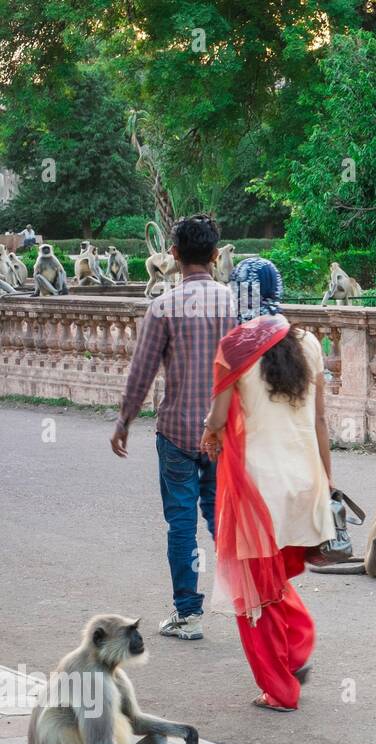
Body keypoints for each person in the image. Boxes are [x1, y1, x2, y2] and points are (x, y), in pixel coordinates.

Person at [201, 259, 333, 711]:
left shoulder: (233, 348)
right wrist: (328, 480)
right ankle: (297, 643)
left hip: (257, 488)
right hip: (304, 480)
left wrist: (208, 428)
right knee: (271, 580)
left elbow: (218, 419)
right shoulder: (308, 342)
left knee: (253, 591)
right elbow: (320, 419)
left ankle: (281, 685)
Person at [112, 215, 238, 641]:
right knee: (223, 521)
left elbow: (142, 371)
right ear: (216, 255)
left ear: (175, 255)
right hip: (220, 432)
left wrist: (123, 421)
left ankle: (188, 615)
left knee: (181, 524)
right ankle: (248, 602)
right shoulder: (229, 303)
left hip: (178, 432)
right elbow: (242, 369)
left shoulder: (162, 307)